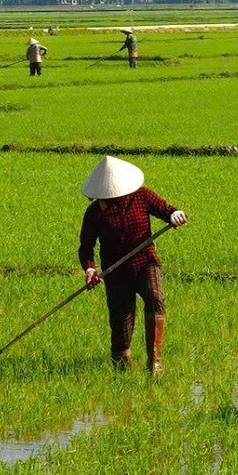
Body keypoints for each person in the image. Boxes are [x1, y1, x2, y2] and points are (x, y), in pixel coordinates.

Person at [78, 155, 187, 372]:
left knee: (155, 298)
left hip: (145, 262)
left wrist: (175, 215)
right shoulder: (94, 214)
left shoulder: (141, 196)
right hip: (115, 271)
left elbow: (167, 210)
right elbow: (86, 247)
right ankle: (122, 368)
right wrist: (90, 268)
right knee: (121, 323)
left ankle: (154, 362)